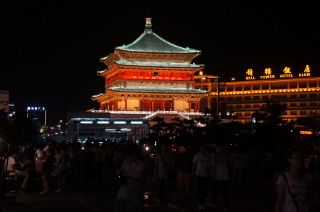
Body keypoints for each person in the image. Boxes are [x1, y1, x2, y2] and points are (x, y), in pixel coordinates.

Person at [275, 147, 310, 212]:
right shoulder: (283, 179)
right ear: (289, 159)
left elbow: (307, 200)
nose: (300, 160)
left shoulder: (304, 179)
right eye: (296, 158)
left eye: (301, 158)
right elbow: (280, 200)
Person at [115, 143, 146, 212]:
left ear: (134, 154)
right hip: (123, 194)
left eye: (129, 155)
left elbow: (139, 175)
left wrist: (125, 174)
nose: (127, 158)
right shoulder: (126, 162)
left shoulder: (141, 163)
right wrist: (119, 172)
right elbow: (119, 171)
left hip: (134, 195)